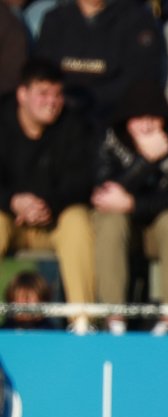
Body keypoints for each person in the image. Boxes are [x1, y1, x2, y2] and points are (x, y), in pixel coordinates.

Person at [92, 79, 168, 336]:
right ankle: (114, 318)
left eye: (153, 117)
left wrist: (134, 204)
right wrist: (145, 162)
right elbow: (103, 193)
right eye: (138, 117)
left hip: (162, 220)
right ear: (126, 120)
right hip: (121, 224)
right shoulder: (110, 136)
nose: (147, 124)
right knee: (110, 221)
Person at [0, 59, 95, 334]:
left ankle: (82, 323)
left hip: (54, 220)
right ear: (22, 94)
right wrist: (13, 201)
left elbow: (82, 182)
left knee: (78, 221)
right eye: (43, 94)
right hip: (11, 218)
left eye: (57, 94)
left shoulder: (74, 126)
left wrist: (48, 205)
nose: (52, 102)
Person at [35, 0, 163, 130]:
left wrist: (92, 98)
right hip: (62, 116)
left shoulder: (136, 19)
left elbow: (141, 78)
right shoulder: (55, 19)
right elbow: (42, 72)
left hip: (114, 118)